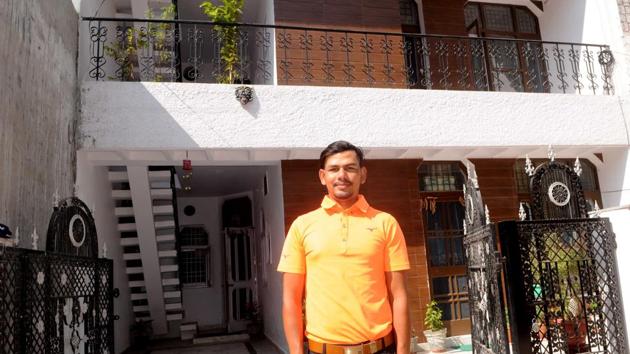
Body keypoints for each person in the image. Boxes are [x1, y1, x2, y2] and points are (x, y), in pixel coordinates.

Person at [278, 141, 411, 354]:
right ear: (323, 176)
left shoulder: (385, 223)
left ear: (363, 174)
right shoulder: (302, 226)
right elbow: (291, 299)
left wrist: (403, 351)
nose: (342, 175)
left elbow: (399, 295)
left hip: (380, 348)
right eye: (333, 169)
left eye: (350, 168)